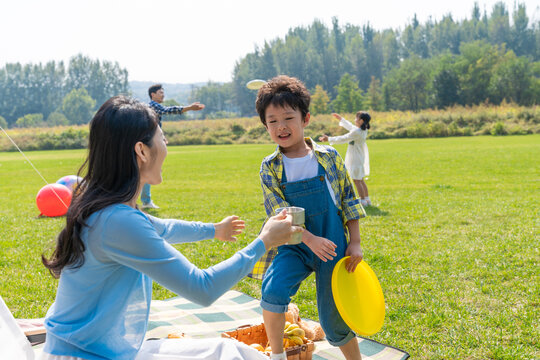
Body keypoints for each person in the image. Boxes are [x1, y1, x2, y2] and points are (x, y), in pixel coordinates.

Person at [40, 96, 301, 360]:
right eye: (162, 138)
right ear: (141, 150)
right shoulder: (118, 221)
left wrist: (214, 230)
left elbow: (164, 228)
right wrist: (264, 242)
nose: (167, 146)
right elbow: (203, 288)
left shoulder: (109, 210)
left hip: (94, 350)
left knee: (231, 351)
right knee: (234, 356)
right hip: (83, 356)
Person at [252, 76, 366, 360]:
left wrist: (355, 243)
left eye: (289, 117)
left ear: (305, 119)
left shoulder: (328, 156)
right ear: (265, 126)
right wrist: (308, 239)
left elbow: (348, 200)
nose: (281, 126)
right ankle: (277, 355)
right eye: (272, 121)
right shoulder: (270, 167)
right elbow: (279, 212)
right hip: (294, 246)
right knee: (273, 291)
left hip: (333, 248)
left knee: (333, 320)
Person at [141, 84, 205, 209]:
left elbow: (154, 125)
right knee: (146, 171)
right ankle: (145, 201)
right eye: (160, 92)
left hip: (148, 141)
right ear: (152, 95)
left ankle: (145, 201)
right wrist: (189, 108)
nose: (163, 94)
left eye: (163, 92)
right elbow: (167, 110)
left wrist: (161, 137)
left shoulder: (152, 107)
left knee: (145, 170)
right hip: (147, 143)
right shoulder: (153, 105)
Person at [319, 112, 372, 207]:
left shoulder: (357, 132)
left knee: (357, 180)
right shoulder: (361, 130)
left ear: (361, 121)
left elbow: (344, 138)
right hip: (359, 156)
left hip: (355, 157)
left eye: (357, 118)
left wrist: (329, 139)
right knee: (360, 179)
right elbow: (350, 126)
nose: (355, 120)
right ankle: (367, 199)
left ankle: (363, 200)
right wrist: (341, 119)